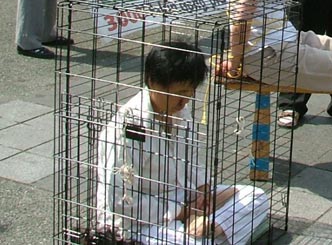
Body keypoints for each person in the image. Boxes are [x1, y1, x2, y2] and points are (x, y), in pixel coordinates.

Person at [96, 42, 269, 244]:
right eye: (179, 94)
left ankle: (209, 228)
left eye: (190, 93)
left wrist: (204, 191)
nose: (184, 102)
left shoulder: (179, 111)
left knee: (255, 196)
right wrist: (183, 212)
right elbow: (121, 201)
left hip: (183, 198)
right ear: (152, 82)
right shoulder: (127, 127)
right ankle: (212, 233)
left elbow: (191, 160)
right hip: (140, 221)